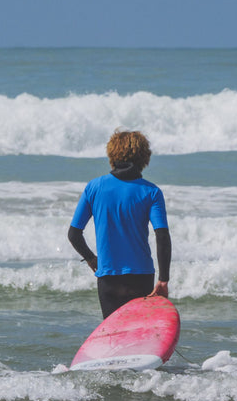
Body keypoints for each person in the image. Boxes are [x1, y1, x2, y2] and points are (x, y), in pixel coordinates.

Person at [68, 129, 172, 319]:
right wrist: (164, 280)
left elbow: (74, 234)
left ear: (112, 154)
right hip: (141, 278)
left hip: (109, 278)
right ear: (144, 157)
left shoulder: (94, 187)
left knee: (114, 336)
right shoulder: (151, 192)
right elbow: (162, 236)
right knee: (139, 334)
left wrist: (91, 259)